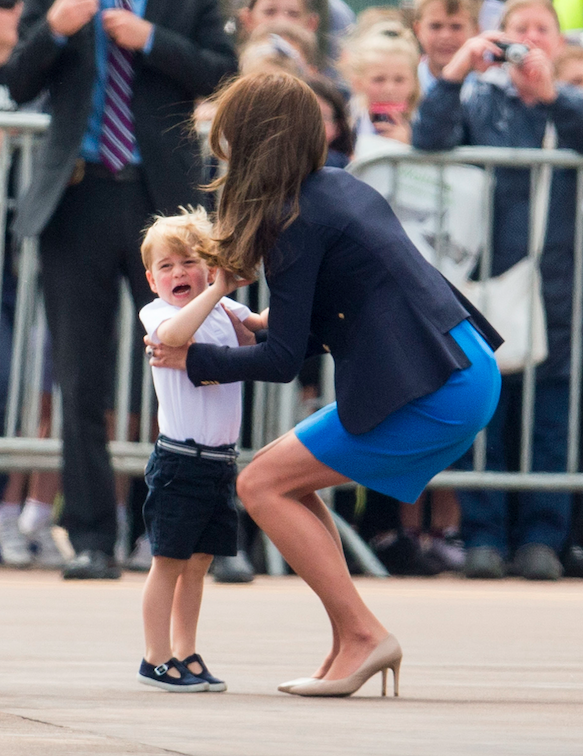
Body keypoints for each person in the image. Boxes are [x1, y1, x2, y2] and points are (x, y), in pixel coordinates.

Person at [147, 71, 502, 697]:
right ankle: (350, 639)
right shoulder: (333, 189)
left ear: (251, 140)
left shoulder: (294, 220)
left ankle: (364, 635)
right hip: (460, 366)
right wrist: (261, 325)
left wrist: (196, 362)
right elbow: (322, 321)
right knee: (282, 479)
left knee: (260, 483)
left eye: (228, 134)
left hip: (437, 386)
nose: (219, 145)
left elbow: (285, 359)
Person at [4, 0, 237, 580]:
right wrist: (55, 30)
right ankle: (90, 538)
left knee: (195, 366)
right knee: (81, 380)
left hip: (164, 208)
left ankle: (191, 533)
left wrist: (152, 39)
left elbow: (222, 73)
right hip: (76, 199)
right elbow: (16, 79)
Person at [413, 0, 583, 580]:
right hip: (481, 277)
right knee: (483, 401)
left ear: (557, 44)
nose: (529, 42)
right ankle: (483, 534)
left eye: (541, 30)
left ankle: (542, 538)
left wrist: (549, 96)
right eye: (518, 31)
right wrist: (457, 69)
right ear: (499, 39)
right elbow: (427, 138)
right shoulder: (478, 100)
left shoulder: (571, 105)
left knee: (550, 409)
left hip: (556, 279)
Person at [137, 207, 266, 691]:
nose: (177, 274)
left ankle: (185, 651)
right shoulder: (161, 311)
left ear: (209, 265)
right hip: (178, 461)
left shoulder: (226, 309)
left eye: (188, 262)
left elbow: (258, 327)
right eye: (165, 267)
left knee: (198, 564)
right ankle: (155, 657)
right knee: (167, 562)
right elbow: (172, 338)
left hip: (218, 462)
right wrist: (217, 288)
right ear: (152, 280)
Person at [340, 22, 421, 148]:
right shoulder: (346, 124)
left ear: (414, 82)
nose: (389, 89)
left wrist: (412, 145)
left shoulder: (427, 125)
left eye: (399, 80)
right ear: (358, 82)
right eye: (378, 79)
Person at [412, 0, 478, 95]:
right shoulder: (403, 84)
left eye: (456, 27)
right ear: (418, 30)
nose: (446, 36)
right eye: (435, 26)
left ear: (475, 31)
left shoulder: (489, 89)